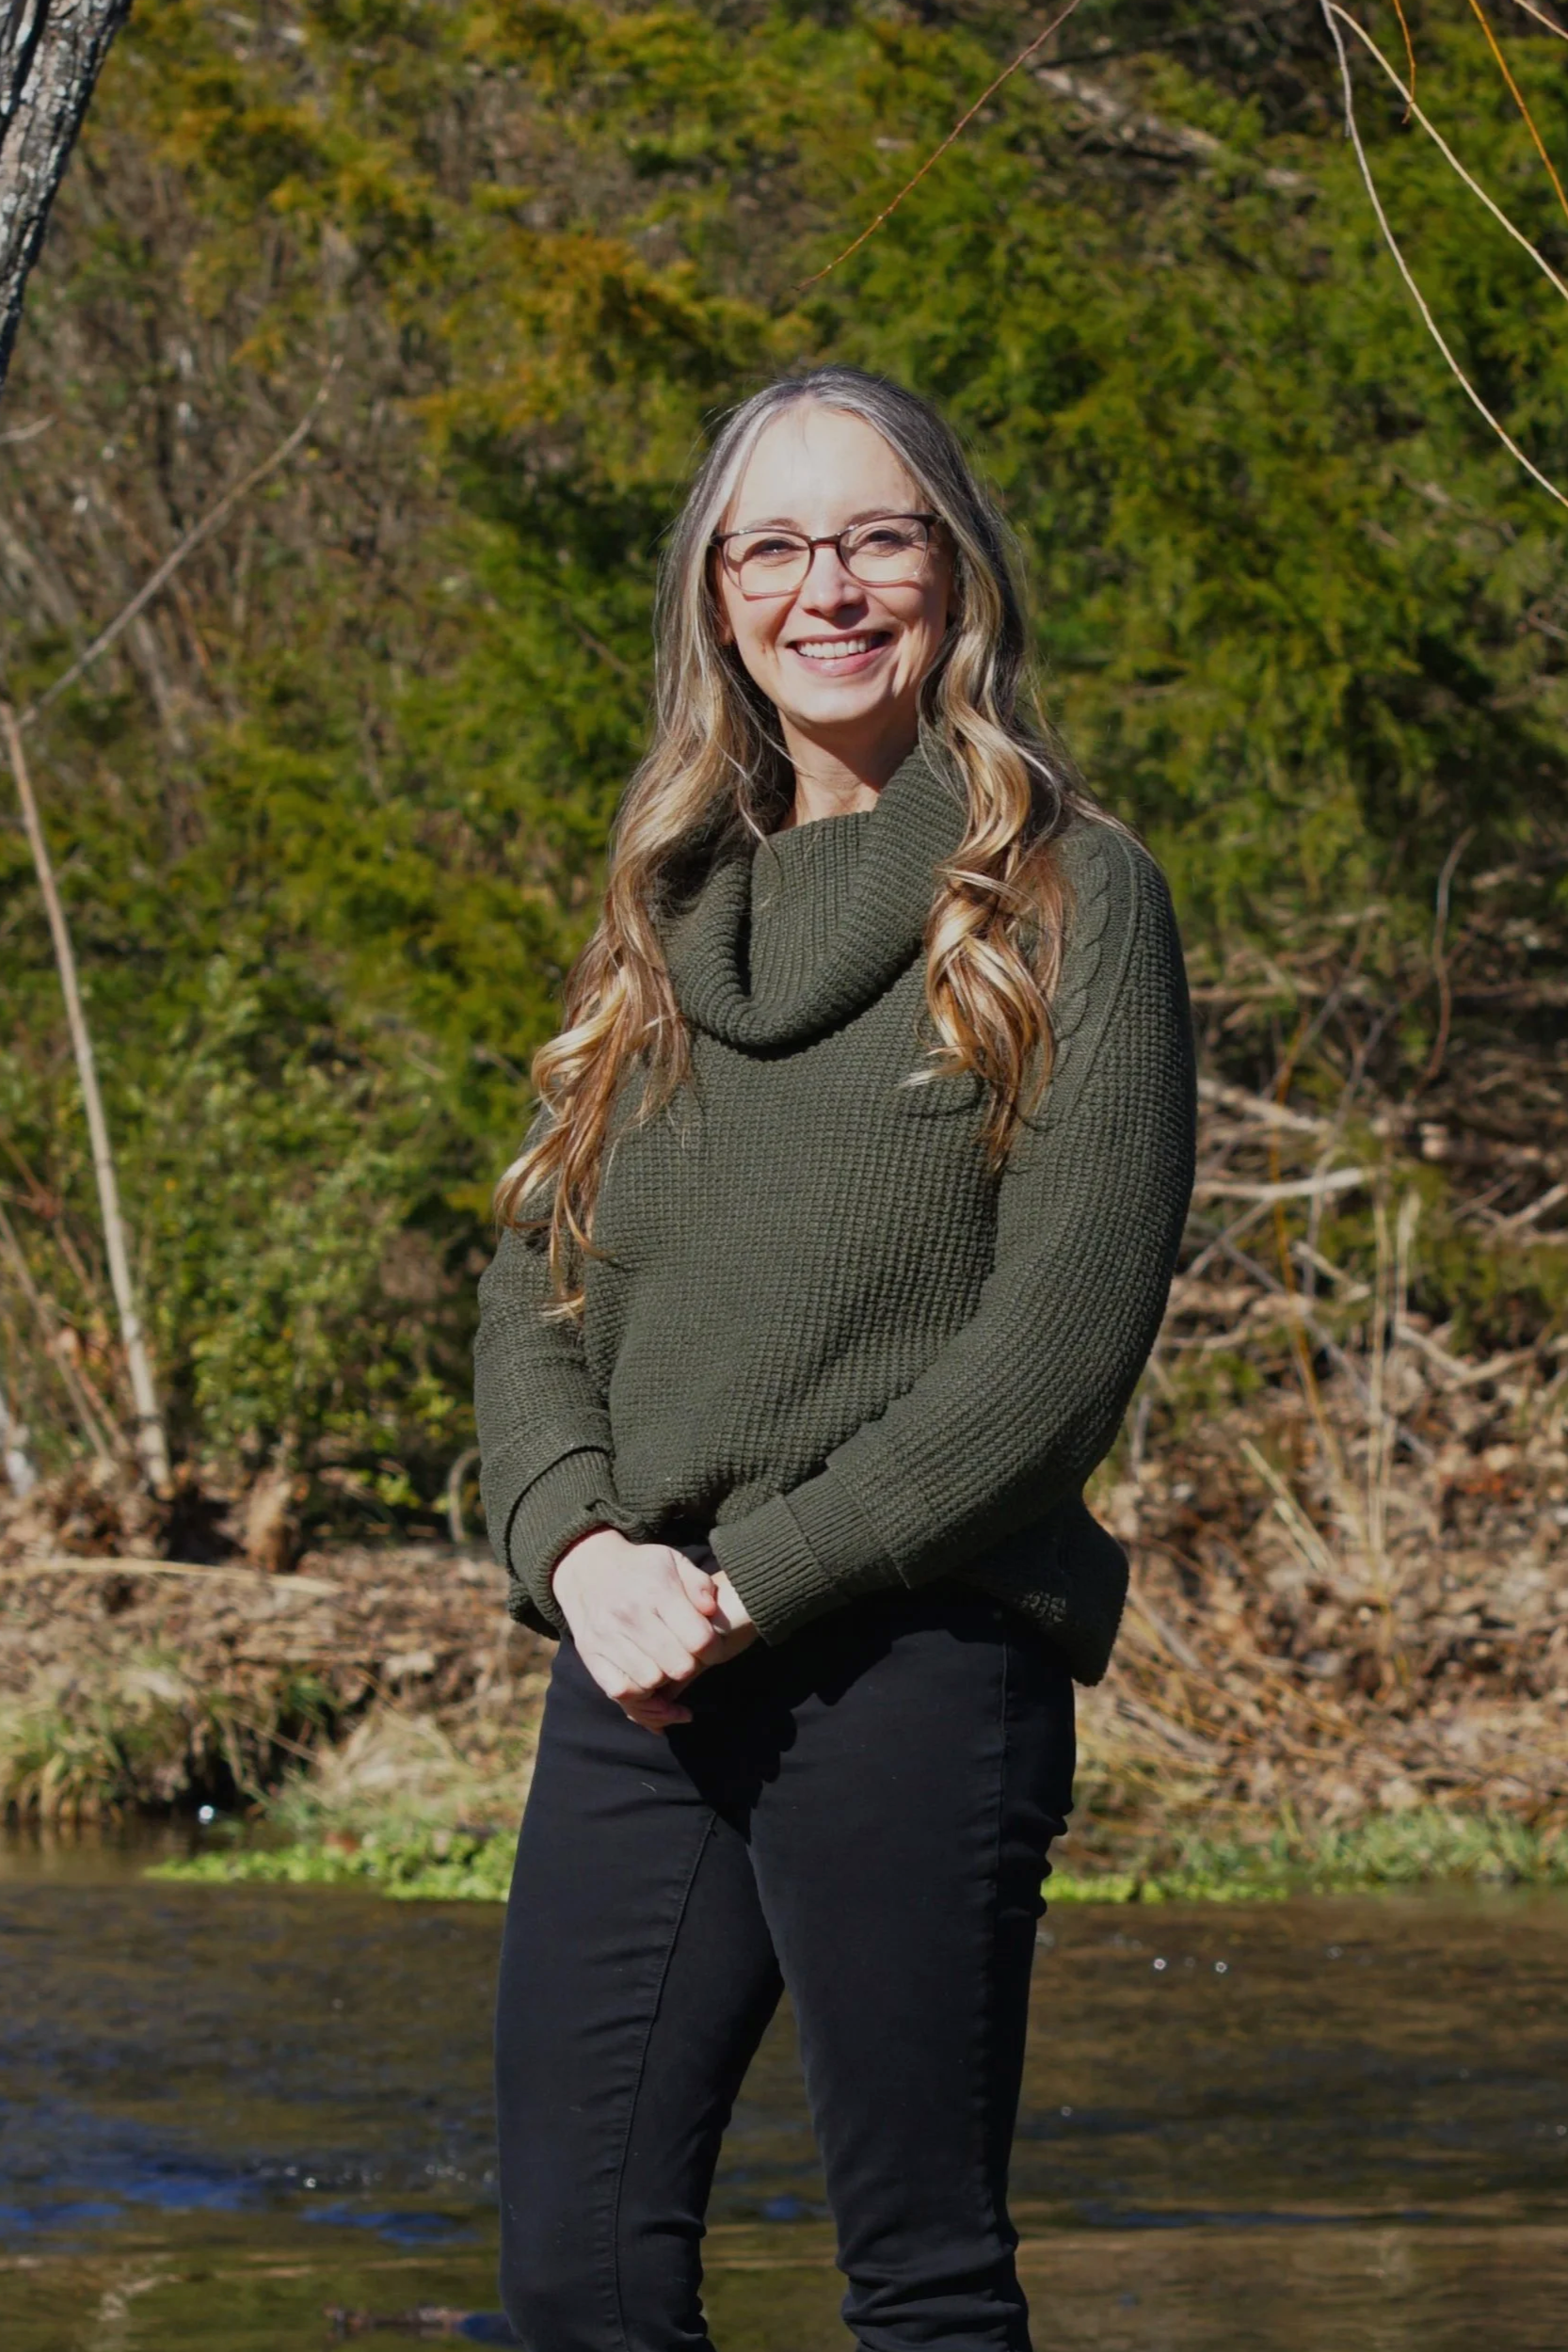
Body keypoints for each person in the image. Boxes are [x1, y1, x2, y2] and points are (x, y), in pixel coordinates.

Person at [474, 365, 1196, 2352]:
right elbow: (535, 1281)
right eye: (773, 545)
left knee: (921, 2283)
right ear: (716, 598)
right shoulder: (662, 905)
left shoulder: (1066, 896)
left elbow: (1048, 1358)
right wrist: (579, 1549)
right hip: (638, 1660)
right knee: (575, 2277)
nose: (829, 586)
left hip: (905, 1645)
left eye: (877, 534)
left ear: (952, 572)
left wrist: (757, 1577)